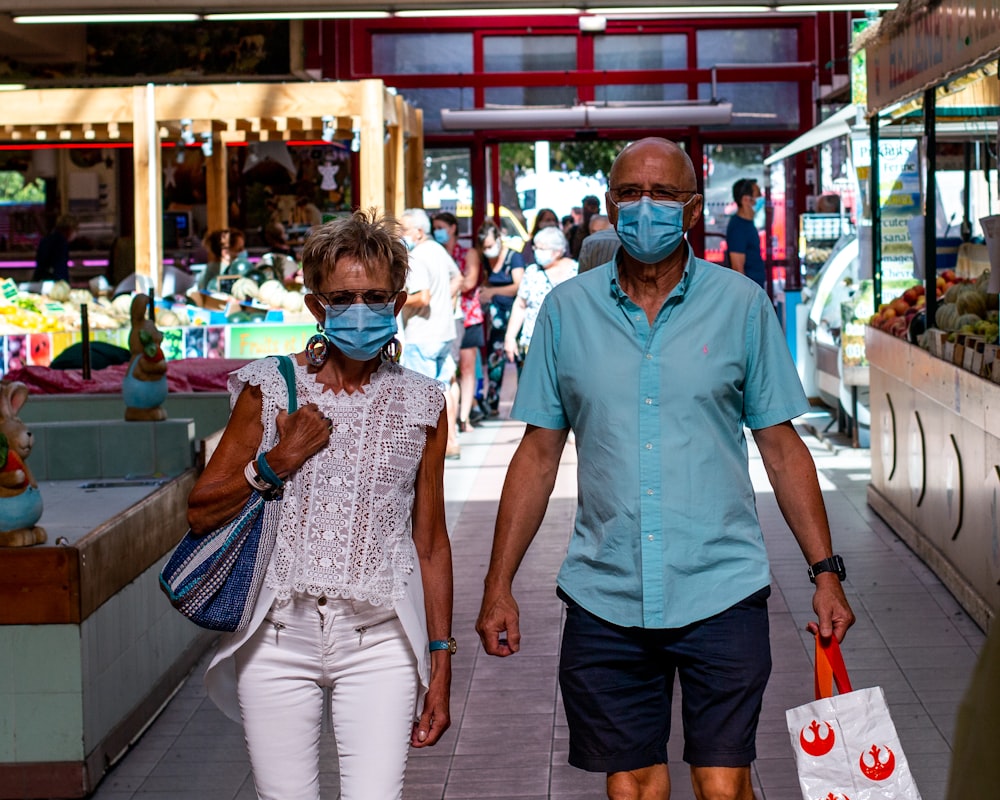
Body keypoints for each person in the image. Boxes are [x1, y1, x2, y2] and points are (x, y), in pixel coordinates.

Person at [476, 137, 855, 800]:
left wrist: (826, 574)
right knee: (632, 789)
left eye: (662, 194)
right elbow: (537, 453)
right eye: (628, 193)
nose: (643, 207)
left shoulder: (739, 306)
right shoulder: (568, 310)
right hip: (606, 590)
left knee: (722, 784)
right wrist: (498, 584)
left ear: (690, 211)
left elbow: (782, 446)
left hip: (721, 586)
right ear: (609, 205)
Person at [190, 209, 454, 800]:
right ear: (316, 307)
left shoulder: (423, 402)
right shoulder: (270, 388)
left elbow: (431, 542)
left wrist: (441, 659)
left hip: (380, 640)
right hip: (278, 639)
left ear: (398, 301)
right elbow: (201, 510)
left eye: (374, 296)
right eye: (342, 298)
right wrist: (277, 462)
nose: (359, 311)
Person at [399, 208, 461, 456]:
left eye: (403, 230)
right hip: (444, 331)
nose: (400, 235)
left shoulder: (418, 256)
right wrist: (448, 301)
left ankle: (430, 448)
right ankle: (451, 441)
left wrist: (397, 300)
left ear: (419, 231)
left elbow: (422, 297)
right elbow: (458, 278)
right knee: (444, 388)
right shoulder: (437, 249)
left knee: (424, 394)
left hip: (422, 334)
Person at [433, 211, 485, 433]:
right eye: (434, 227)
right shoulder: (434, 253)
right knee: (449, 368)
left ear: (453, 228)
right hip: (443, 317)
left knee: (467, 367)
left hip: (468, 315)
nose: (437, 231)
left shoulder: (468, 252)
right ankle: (451, 417)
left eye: (440, 226)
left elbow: (469, 282)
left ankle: (465, 416)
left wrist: (447, 284)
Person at [503, 225, 577, 370]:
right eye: (535, 248)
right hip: (533, 345)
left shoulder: (576, 271)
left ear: (558, 251)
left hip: (567, 347)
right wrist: (510, 338)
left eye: (541, 249)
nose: (536, 252)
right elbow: (520, 305)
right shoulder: (532, 272)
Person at [474, 220, 524, 417]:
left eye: (490, 245)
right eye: (484, 247)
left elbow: (519, 286)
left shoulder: (514, 258)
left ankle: (524, 404)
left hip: (516, 315)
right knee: (495, 360)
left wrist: (493, 291)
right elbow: (487, 281)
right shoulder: (487, 261)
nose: (488, 250)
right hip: (496, 318)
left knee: (520, 358)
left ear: (499, 239)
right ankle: (492, 403)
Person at [725, 178, 767, 289]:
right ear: (745, 200)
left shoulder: (749, 224)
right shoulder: (738, 227)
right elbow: (737, 268)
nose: (761, 198)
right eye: (758, 195)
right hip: (749, 296)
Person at [32, 214, 78, 282]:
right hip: (52, 282)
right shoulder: (61, 243)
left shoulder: (47, 239)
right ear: (69, 229)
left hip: (40, 280)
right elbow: (60, 268)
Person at [568, 194, 600, 260]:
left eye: (593, 207)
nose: (589, 211)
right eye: (587, 208)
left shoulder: (604, 229)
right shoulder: (574, 230)